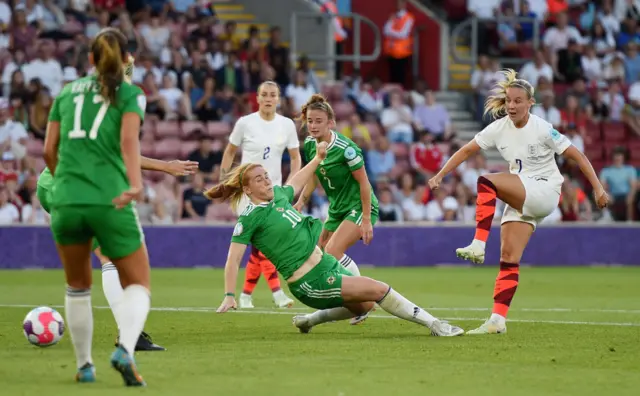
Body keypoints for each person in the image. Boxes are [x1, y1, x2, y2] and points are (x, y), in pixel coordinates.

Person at [208, 146, 464, 337]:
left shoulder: (278, 197)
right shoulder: (250, 218)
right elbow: (233, 258)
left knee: (365, 304)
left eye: (266, 175)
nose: (266, 180)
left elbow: (295, 182)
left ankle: (308, 321)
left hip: (325, 265)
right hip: (309, 282)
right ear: (248, 190)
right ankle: (434, 325)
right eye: (259, 179)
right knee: (379, 289)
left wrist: (318, 159)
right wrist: (230, 294)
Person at [428, 69, 609, 335]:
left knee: (486, 181)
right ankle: (497, 321)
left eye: (517, 101)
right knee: (508, 258)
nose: (511, 106)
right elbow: (467, 150)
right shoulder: (499, 128)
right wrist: (441, 174)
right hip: (523, 192)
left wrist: (598, 188)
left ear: (529, 103)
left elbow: (577, 156)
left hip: (545, 190)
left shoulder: (543, 129)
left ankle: (478, 243)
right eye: (509, 101)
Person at [43, 28, 157, 386]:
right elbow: (128, 142)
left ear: (89, 59)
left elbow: (48, 151)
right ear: (126, 60)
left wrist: (65, 183)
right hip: (109, 199)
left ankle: (84, 366)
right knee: (139, 282)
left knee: (77, 285)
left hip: (65, 199)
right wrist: (135, 185)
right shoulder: (130, 94)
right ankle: (125, 346)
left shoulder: (65, 92)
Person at [294, 94, 379, 325]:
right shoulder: (311, 144)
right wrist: (301, 201)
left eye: (318, 121)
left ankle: (362, 295)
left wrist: (366, 220)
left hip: (359, 206)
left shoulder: (347, 150)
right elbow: (313, 174)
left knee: (332, 251)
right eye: (310, 121)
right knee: (321, 255)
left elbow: (364, 183)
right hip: (337, 208)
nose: (313, 125)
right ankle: (356, 301)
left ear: (330, 122)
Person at [220, 80, 301, 309]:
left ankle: (246, 295)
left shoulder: (286, 125)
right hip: (248, 193)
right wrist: (225, 182)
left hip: (273, 191)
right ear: (257, 98)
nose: (268, 98)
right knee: (264, 243)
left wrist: (290, 186)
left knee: (262, 245)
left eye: (272, 94)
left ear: (278, 98)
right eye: (264, 94)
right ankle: (276, 293)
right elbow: (229, 153)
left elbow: (296, 158)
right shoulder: (245, 123)